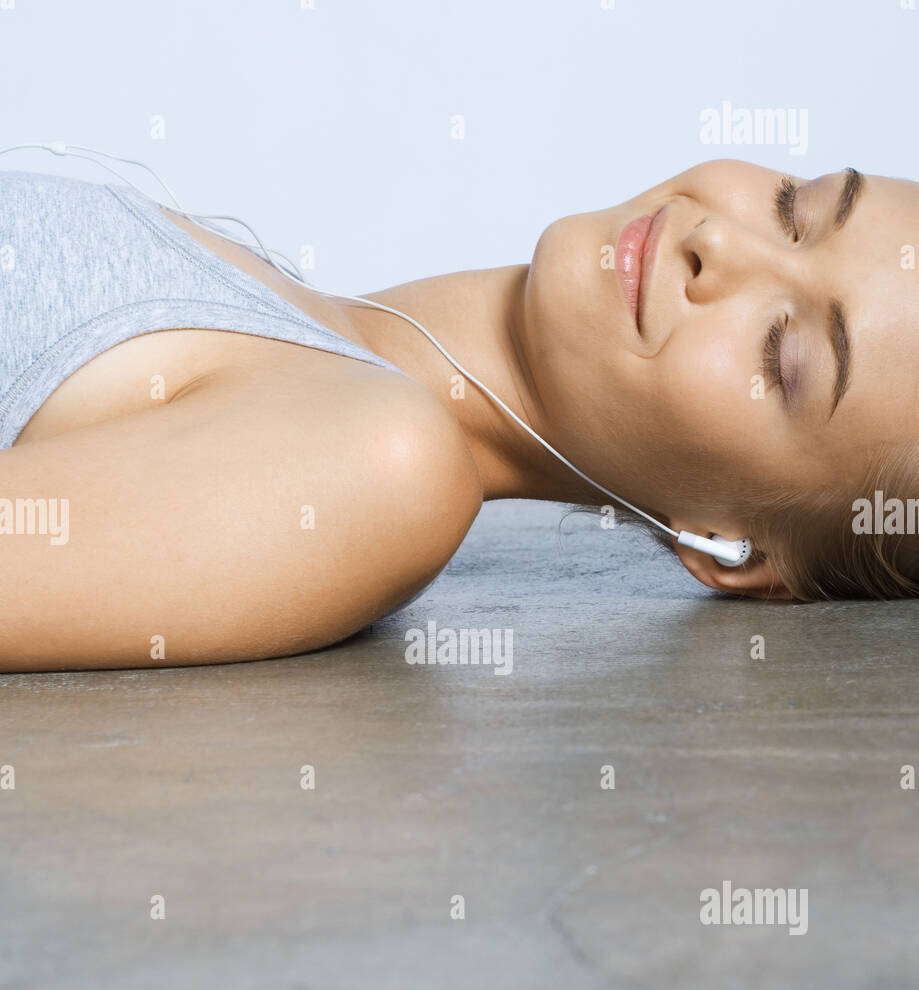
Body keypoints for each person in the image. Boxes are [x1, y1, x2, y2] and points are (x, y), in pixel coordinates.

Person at [1, 158, 915, 672]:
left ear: (735, 549)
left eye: (782, 354)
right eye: (797, 208)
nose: (718, 241)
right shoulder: (299, 321)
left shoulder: (380, 465)